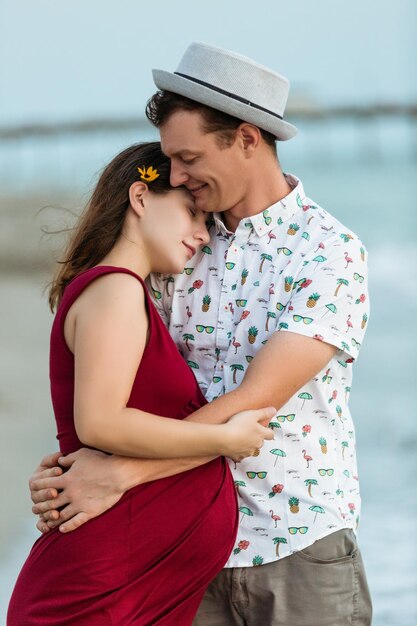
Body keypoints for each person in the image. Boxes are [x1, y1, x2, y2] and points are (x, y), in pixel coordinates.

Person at [29, 43, 372, 625]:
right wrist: (70, 464)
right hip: (177, 548)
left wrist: (116, 474)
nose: (177, 175)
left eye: (188, 157)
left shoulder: (328, 254)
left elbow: (253, 403)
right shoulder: (177, 243)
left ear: (246, 138)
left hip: (295, 543)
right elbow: (130, 387)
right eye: (169, 160)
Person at [7, 141, 276, 625]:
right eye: (191, 212)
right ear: (141, 197)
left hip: (132, 582)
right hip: (101, 586)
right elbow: (100, 422)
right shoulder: (114, 289)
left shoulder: (130, 293)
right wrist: (223, 439)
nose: (201, 234)